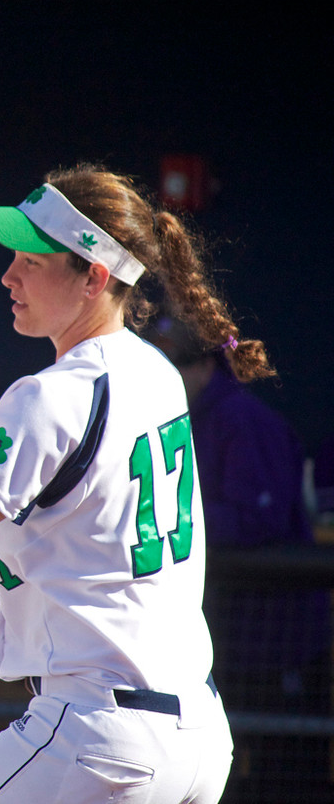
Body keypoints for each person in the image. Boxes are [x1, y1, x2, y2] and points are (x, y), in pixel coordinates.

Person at [0, 165, 263, 803]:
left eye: (32, 259)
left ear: (95, 277)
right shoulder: (155, 370)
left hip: (98, 731)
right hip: (194, 733)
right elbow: (6, 492)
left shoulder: (56, 392)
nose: (8, 275)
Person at [149, 313, 332, 798]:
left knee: (287, 775)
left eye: (174, 368)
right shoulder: (178, 418)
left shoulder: (243, 420)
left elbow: (259, 521)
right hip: (220, 646)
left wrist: (171, 519)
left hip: (277, 643)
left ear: (203, 366)